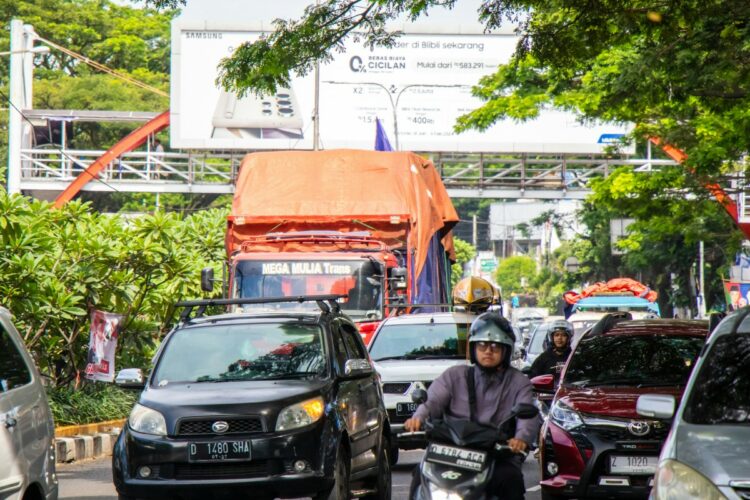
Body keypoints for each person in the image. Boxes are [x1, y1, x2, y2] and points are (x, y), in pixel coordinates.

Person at [404, 312, 538, 500]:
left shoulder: (519, 382)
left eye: (495, 346)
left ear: (506, 350)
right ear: (473, 348)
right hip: (449, 449)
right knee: (421, 472)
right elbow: (433, 400)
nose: (488, 351)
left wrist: (521, 438)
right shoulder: (454, 375)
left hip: (496, 453)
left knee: (511, 479)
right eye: (482, 345)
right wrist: (418, 418)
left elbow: (527, 413)